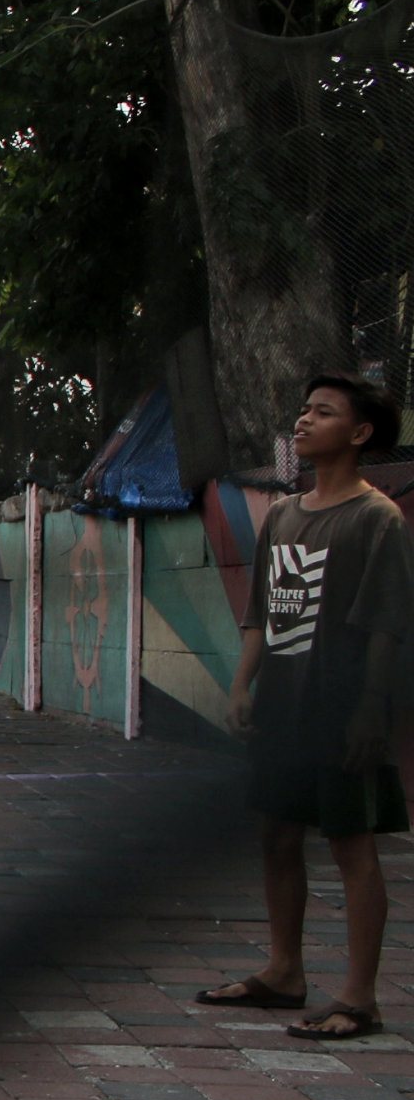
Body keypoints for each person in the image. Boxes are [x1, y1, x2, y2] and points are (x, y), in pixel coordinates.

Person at [198, 373, 414, 1041]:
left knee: (351, 843)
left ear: (360, 433)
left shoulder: (377, 518)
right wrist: (243, 686)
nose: (304, 420)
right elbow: (262, 614)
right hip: (283, 707)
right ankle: (284, 972)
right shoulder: (284, 515)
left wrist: (371, 708)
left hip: (342, 706)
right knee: (277, 834)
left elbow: (387, 625)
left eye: (323, 412)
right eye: (304, 410)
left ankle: (360, 998)